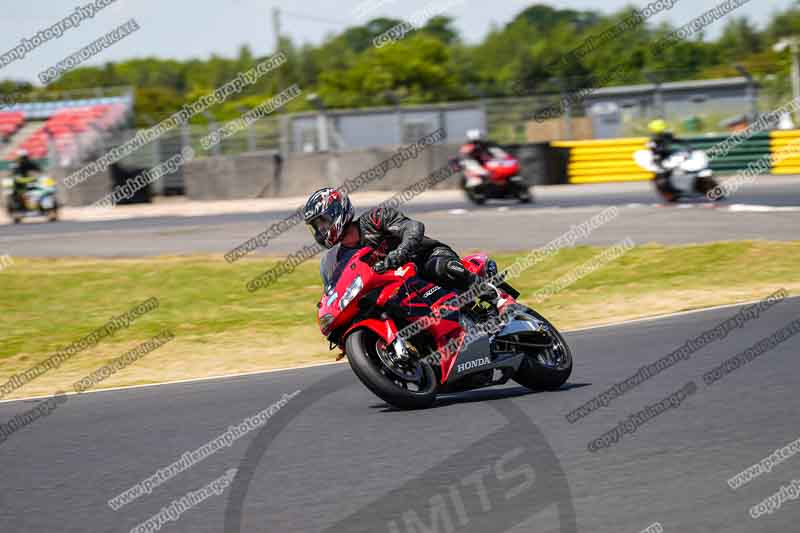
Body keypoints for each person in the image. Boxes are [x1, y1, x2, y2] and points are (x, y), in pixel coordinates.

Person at [303, 187, 500, 308]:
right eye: (316, 226)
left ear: (337, 211)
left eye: (323, 222)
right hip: (400, 285)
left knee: (441, 268)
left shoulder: (374, 219)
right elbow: (337, 287)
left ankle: (493, 296)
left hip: (425, 258)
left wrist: (399, 253)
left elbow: (414, 228)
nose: (321, 229)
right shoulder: (339, 257)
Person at [647, 120, 689, 200]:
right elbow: (652, 150)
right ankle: (669, 193)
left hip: (667, 158)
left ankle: (674, 190)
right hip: (662, 159)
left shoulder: (663, 137)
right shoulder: (656, 139)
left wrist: (686, 146)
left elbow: (678, 141)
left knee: (662, 176)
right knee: (657, 178)